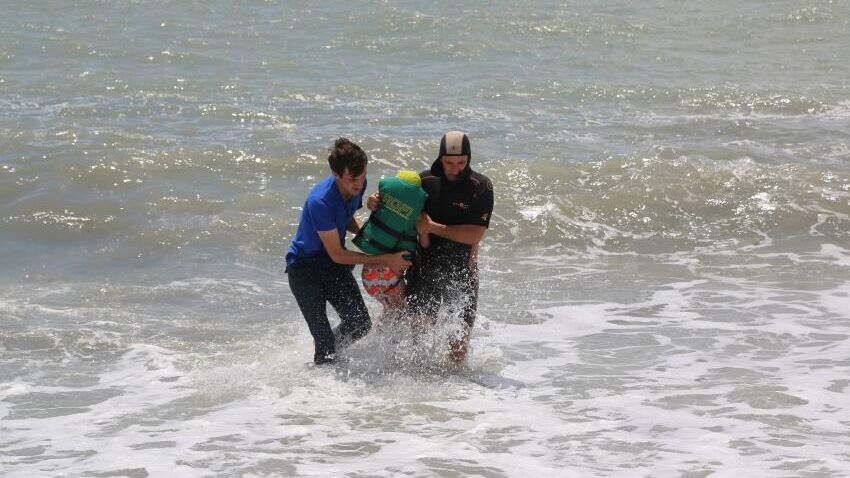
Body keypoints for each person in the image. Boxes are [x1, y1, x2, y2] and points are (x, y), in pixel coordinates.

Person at [285, 138, 411, 365]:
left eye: (363, 176)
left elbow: (346, 216)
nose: (359, 183)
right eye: (353, 179)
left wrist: (369, 236)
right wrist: (386, 259)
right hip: (305, 271)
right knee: (324, 342)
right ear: (335, 174)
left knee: (360, 323)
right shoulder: (320, 202)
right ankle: (322, 383)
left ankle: (329, 357)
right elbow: (338, 254)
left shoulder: (358, 183)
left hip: (332, 267)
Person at [402, 131, 494, 362]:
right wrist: (376, 201)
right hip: (425, 269)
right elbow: (393, 205)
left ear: (469, 159)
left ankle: (459, 397)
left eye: (461, 163)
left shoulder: (480, 186)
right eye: (449, 162)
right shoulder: (423, 182)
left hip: (462, 272)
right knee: (418, 345)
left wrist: (433, 227)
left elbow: (475, 234)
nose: (455, 169)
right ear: (440, 158)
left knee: (458, 348)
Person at [355, 170, 428, 320]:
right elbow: (424, 242)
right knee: (400, 314)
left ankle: (376, 342)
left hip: (369, 276)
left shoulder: (380, 203)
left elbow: (371, 207)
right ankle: (389, 344)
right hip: (391, 275)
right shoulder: (416, 214)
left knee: (390, 312)